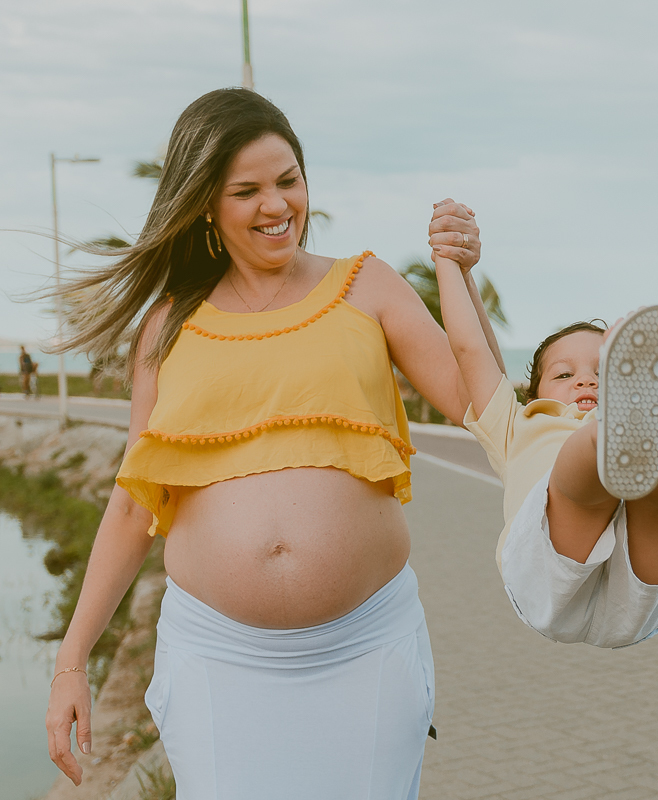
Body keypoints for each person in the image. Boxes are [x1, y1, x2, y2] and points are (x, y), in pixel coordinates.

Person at [43, 88, 494, 799]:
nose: (277, 205)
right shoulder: (167, 328)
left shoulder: (365, 286)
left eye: (288, 180)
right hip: (217, 658)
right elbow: (134, 507)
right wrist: (71, 663)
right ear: (204, 207)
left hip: (366, 647)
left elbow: (483, 405)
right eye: (246, 190)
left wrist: (459, 274)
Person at [433, 235, 658, 647]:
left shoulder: (657, 422)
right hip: (547, 576)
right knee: (577, 479)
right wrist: (446, 259)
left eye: (603, 372)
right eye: (565, 375)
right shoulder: (517, 422)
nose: (584, 380)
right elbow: (469, 347)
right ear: (533, 395)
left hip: (638, 596)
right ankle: (611, 430)